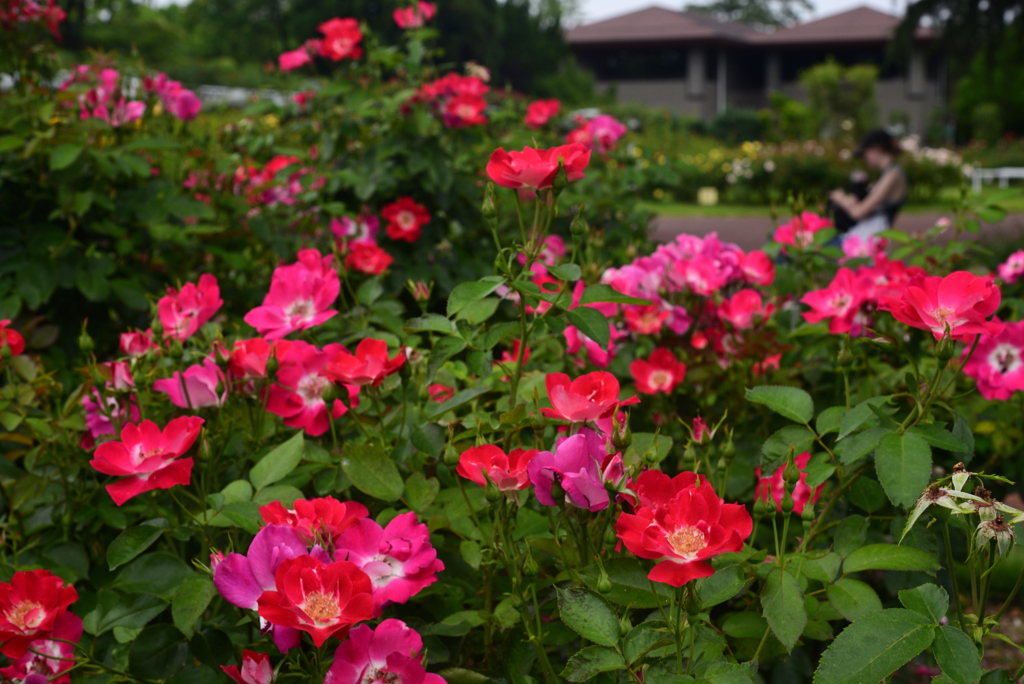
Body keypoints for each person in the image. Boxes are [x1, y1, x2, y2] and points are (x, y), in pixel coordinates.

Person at [828, 129, 908, 244]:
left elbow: (858, 212)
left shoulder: (892, 175)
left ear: (877, 148)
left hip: (868, 239)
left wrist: (841, 198)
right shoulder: (887, 174)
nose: (865, 158)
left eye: (865, 153)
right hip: (865, 235)